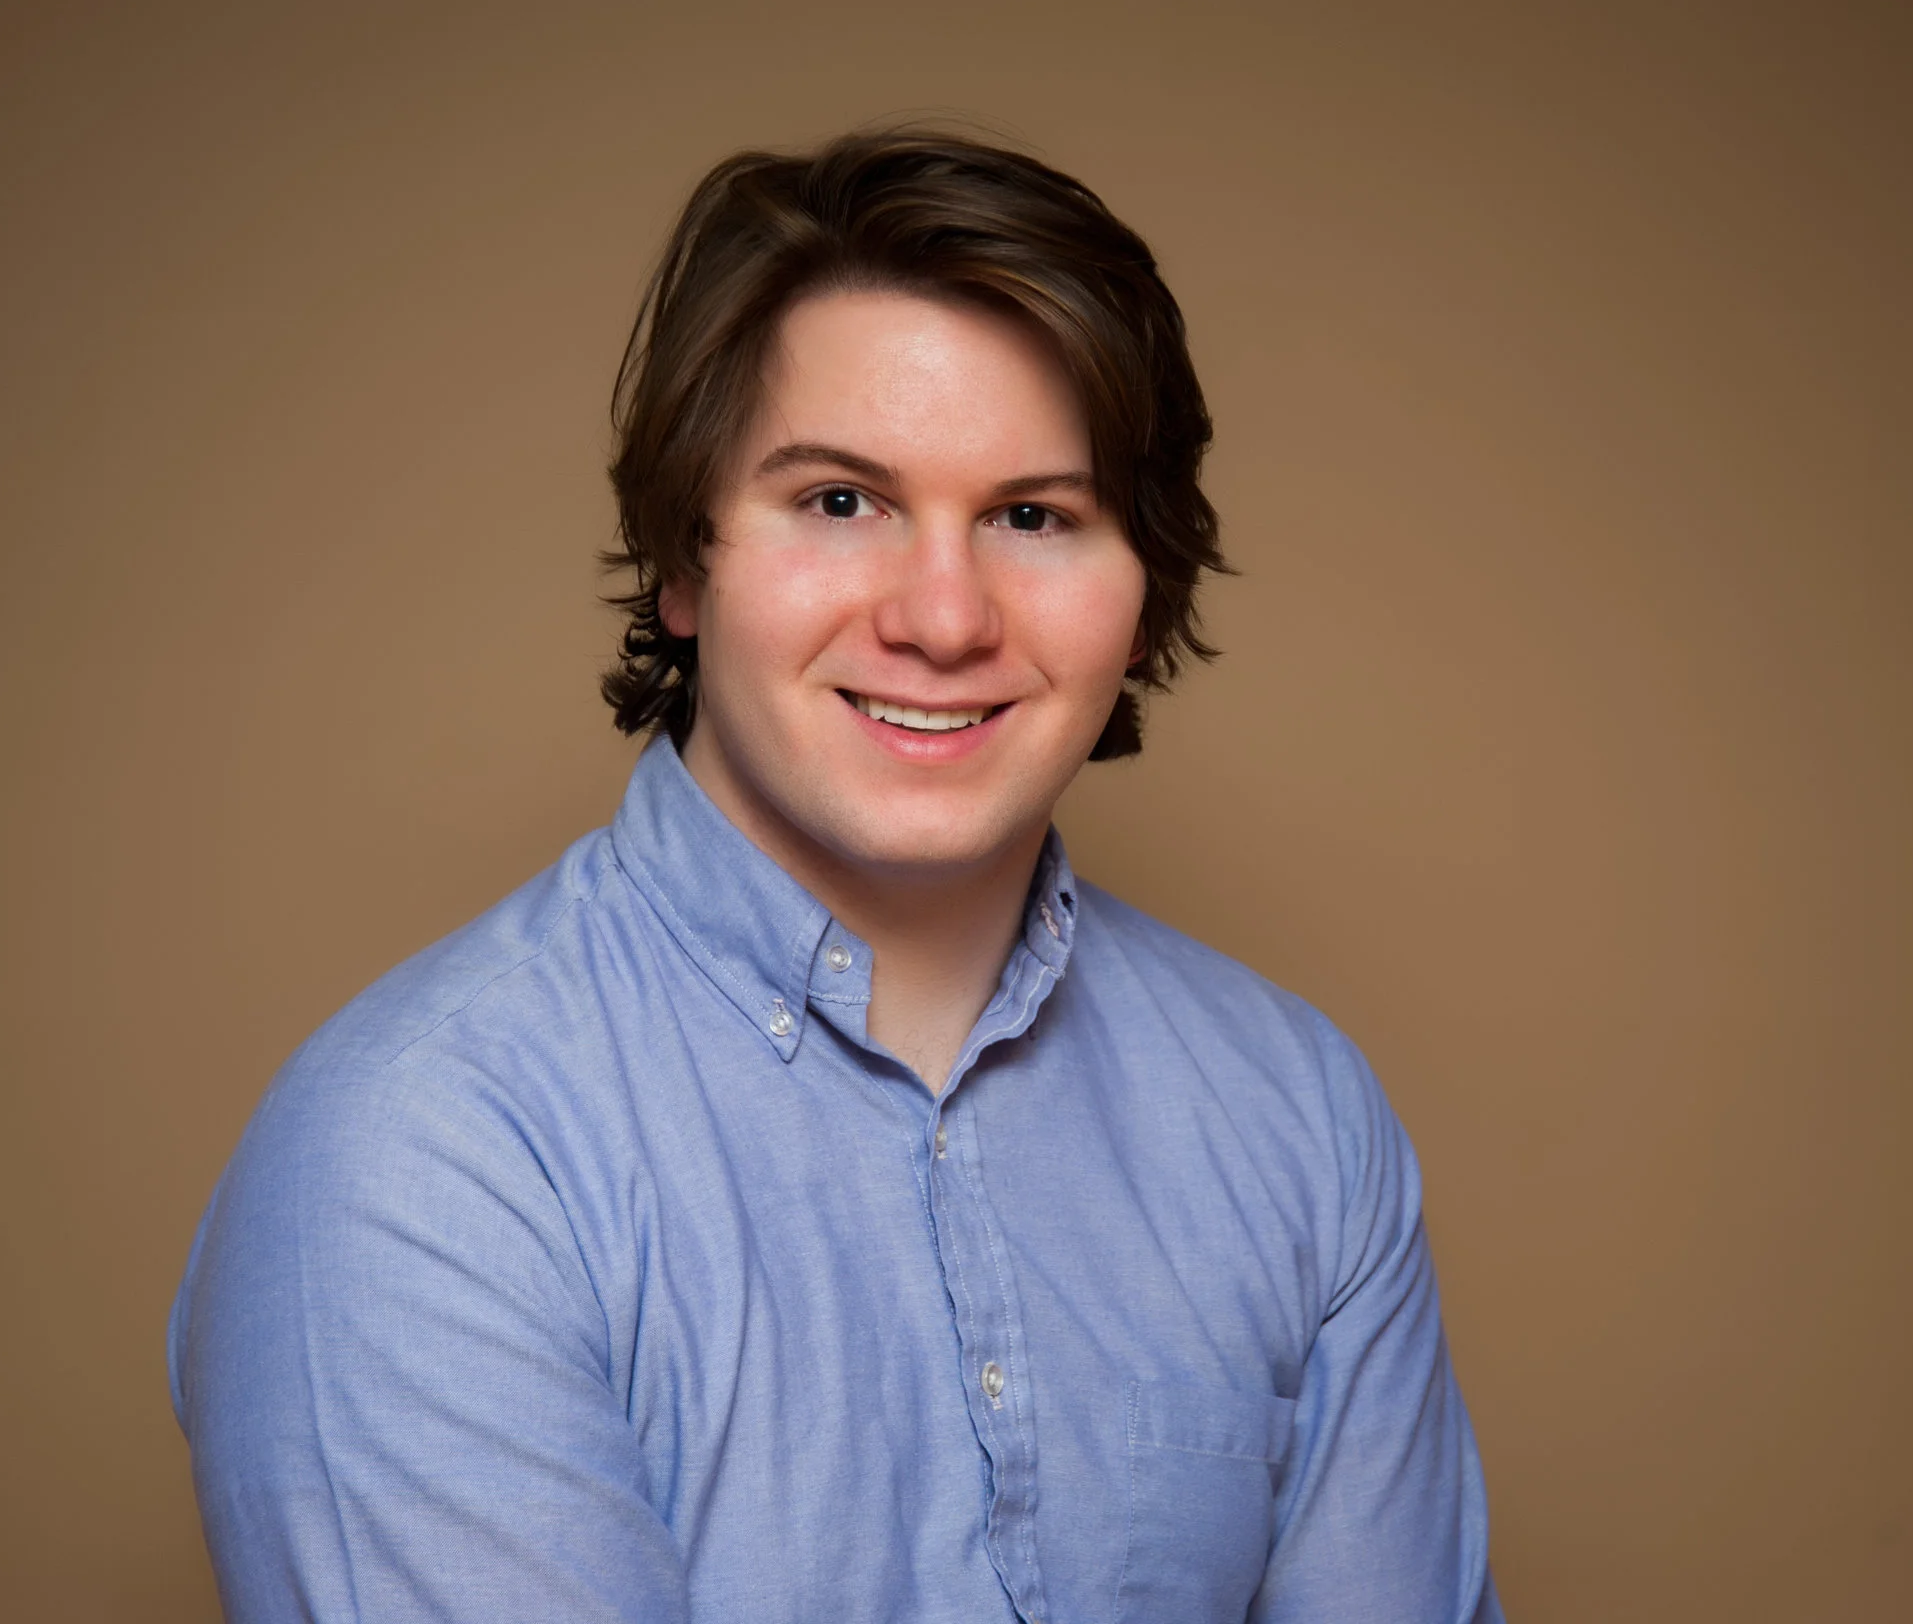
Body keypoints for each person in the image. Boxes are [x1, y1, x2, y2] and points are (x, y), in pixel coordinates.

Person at [170, 127, 1501, 1623]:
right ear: (687, 560)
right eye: (840, 502)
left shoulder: (1297, 1115)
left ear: (1142, 598)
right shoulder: (426, 1155)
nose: (944, 619)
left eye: (1033, 517)